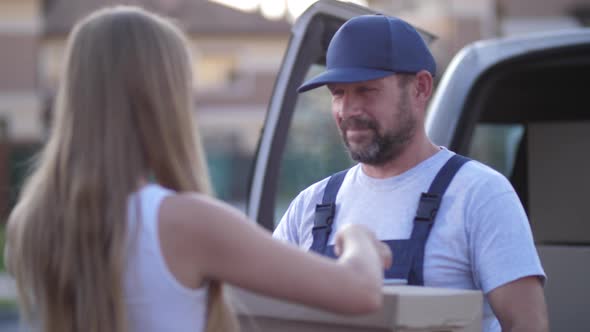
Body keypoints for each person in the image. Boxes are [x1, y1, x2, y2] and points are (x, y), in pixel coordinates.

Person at [3, 7, 392, 332]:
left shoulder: (31, 222)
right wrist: (357, 238)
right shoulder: (184, 222)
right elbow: (359, 290)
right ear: (162, 100)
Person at [273, 14, 548, 332]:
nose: (348, 110)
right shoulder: (312, 205)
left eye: (366, 90)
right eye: (338, 93)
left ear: (420, 88)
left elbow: (528, 325)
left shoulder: (479, 193)